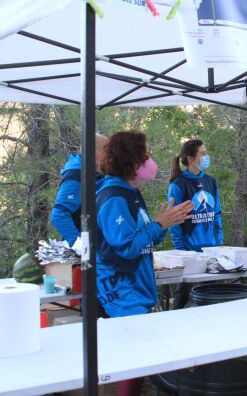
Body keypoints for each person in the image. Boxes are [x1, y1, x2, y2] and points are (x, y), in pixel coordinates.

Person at [95, 131, 193, 396]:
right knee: (135, 360)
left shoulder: (131, 192)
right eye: (145, 154)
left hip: (138, 285)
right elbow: (126, 246)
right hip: (121, 287)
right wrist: (159, 224)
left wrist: (163, 224)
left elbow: (143, 239)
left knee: (138, 360)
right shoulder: (114, 196)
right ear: (132, 160)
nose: (150, 160)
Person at [168, 139, 223, 308]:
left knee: (211, 296)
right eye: (203, 154)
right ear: (191, 158)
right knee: (184, 295)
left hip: (211, 250)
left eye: (206, 153)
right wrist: (182, 251)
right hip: (189, 252)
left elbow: (217, 214)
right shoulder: (178, 184)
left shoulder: (211, 181)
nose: (207, 157)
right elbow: (174, 221)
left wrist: (219, 243)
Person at [50, 134, 109, 246]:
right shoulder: (76, 176)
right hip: (84, 258)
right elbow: (59, 215)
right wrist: (81, 246)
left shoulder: (96, 173)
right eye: (107, 151)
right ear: (95, 155)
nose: (111, 156)